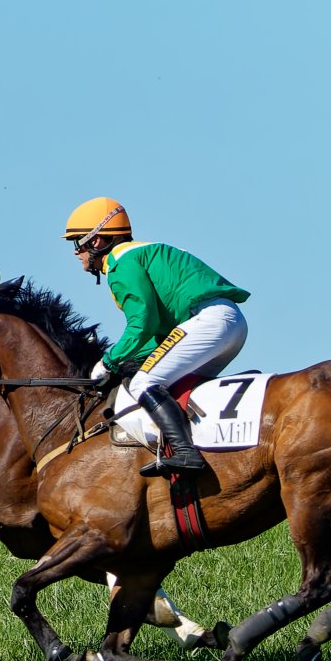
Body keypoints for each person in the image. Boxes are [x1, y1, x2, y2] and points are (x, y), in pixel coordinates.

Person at [62, 197, 250, 477]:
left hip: (209, 321)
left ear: (97, 241)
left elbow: (143, 323)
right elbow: (158, 334)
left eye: (77, 243)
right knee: (171, 385)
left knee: (144, 382)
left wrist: (109, 362)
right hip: (226, 323)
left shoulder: (121, 264)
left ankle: (186, 453)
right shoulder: (141, 253)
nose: (76, 253)